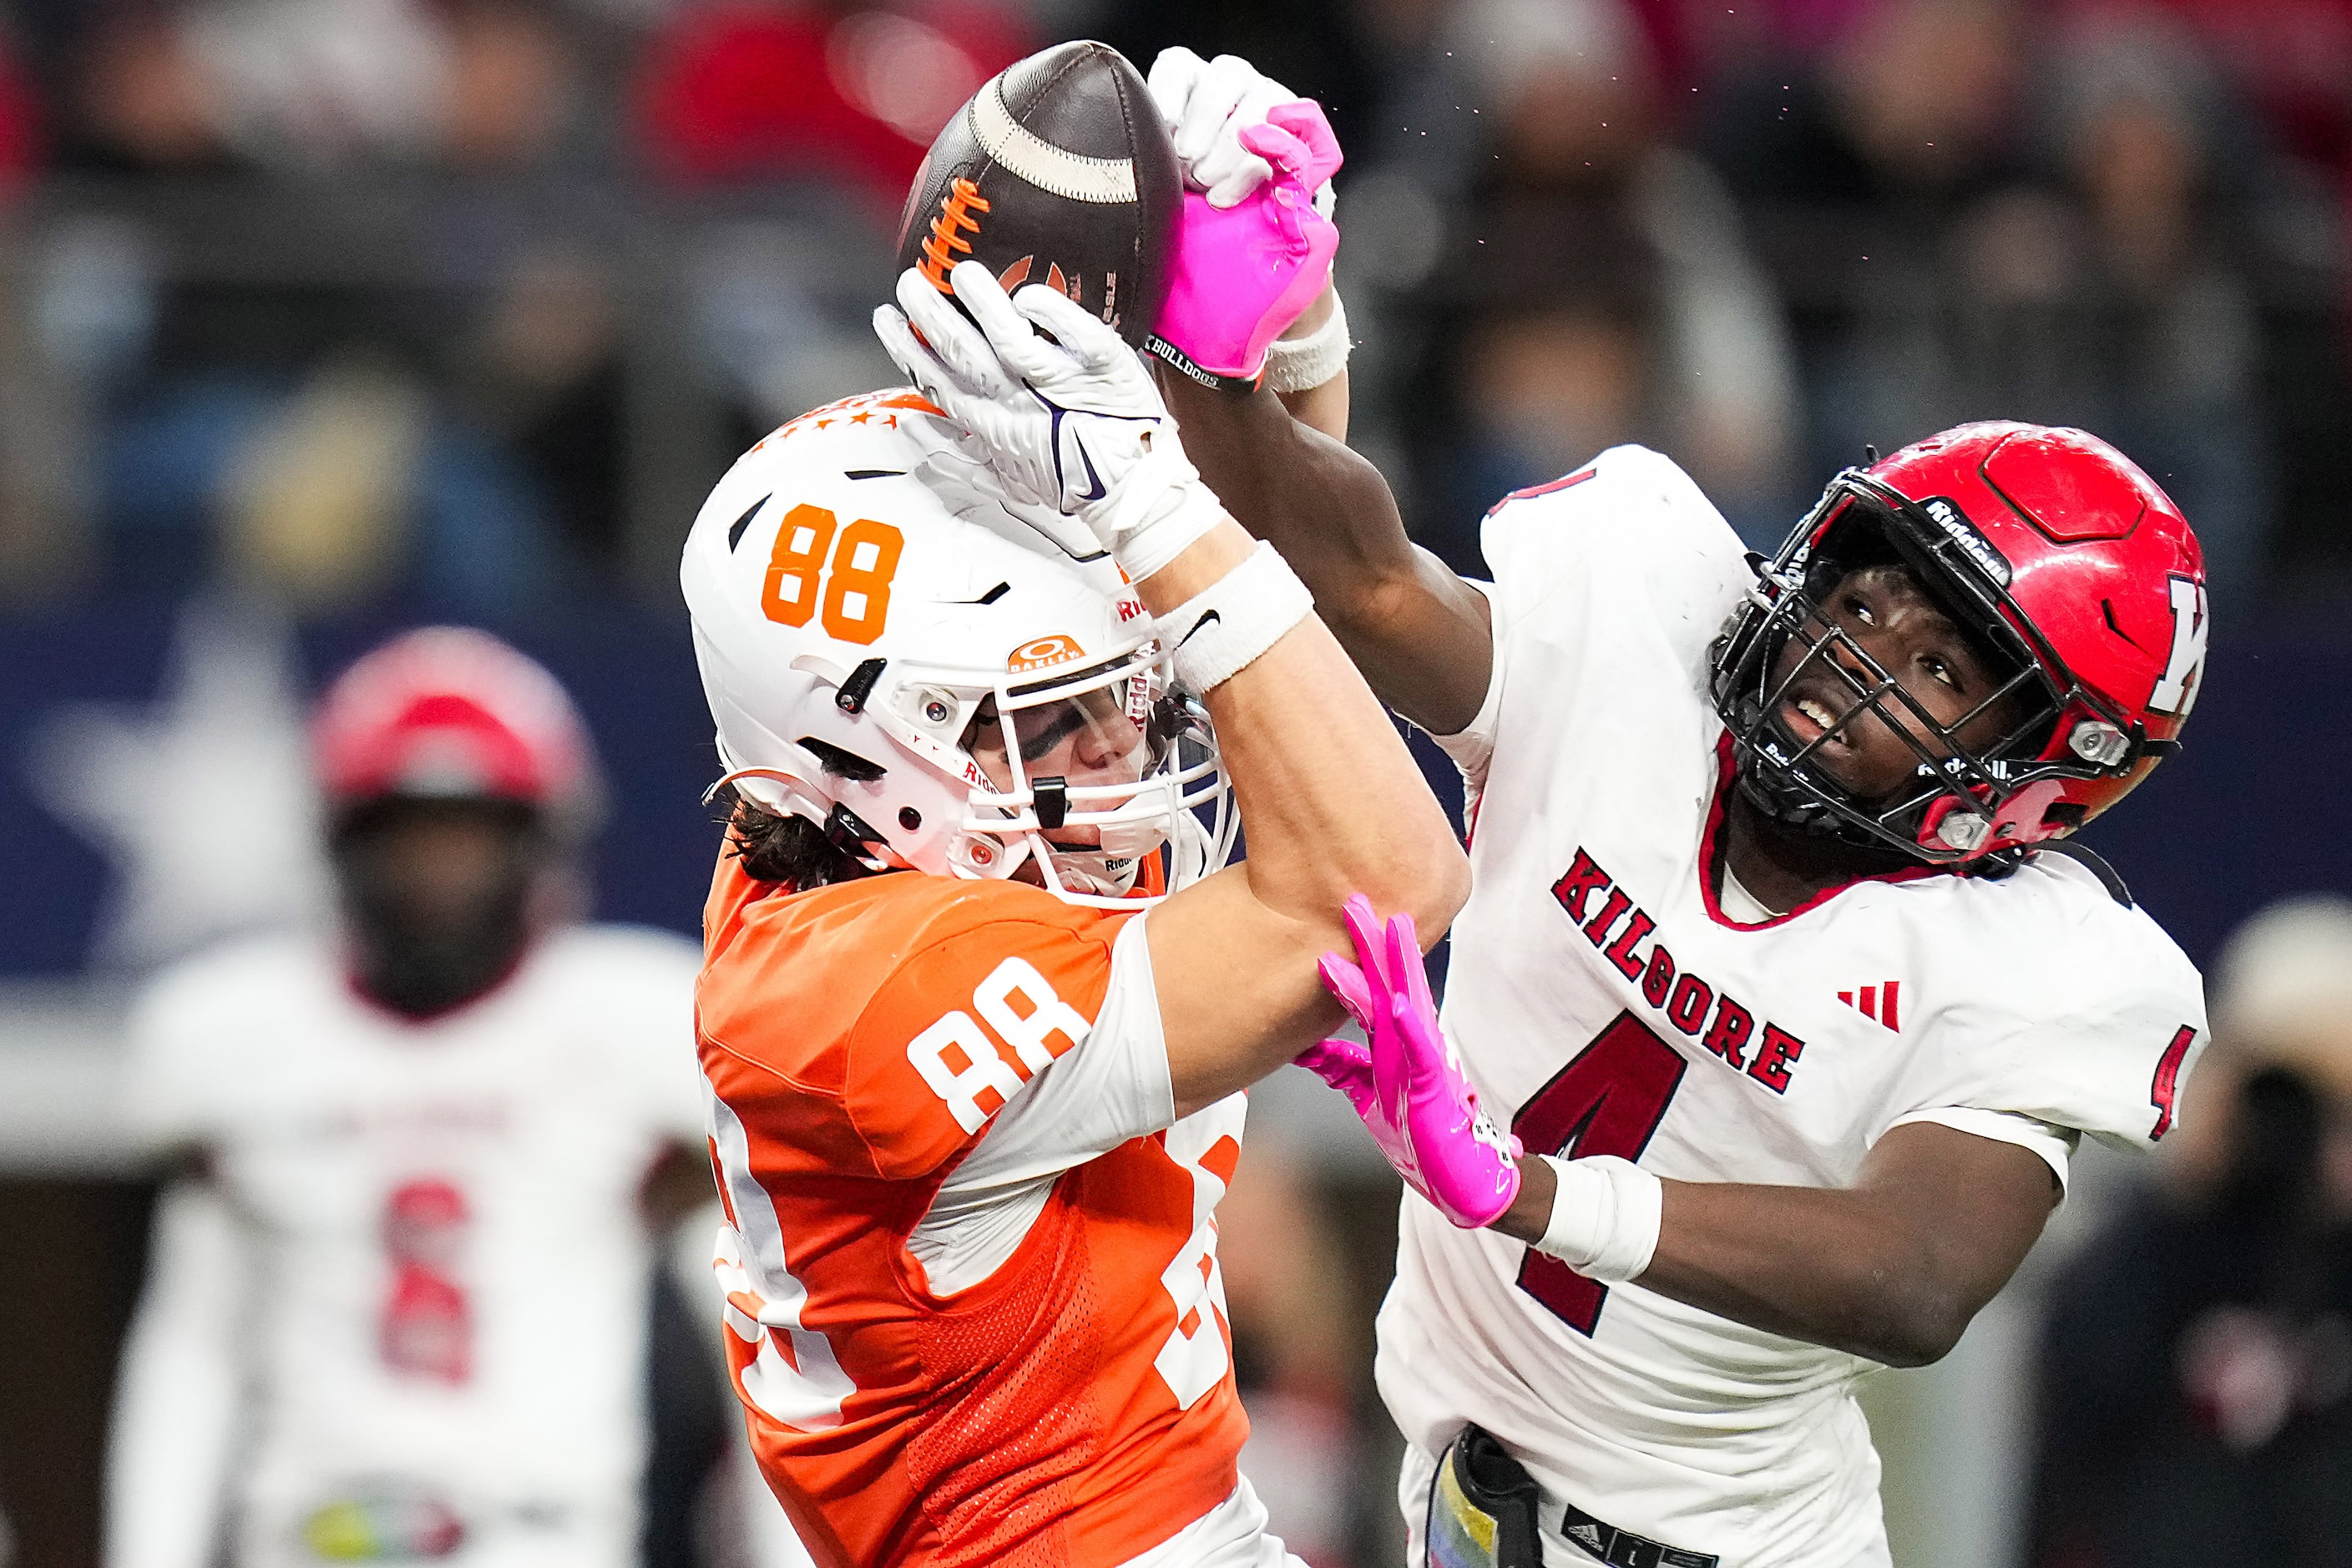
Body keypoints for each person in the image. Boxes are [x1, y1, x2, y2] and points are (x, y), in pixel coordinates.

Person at [1141, 59, 2213, 1562]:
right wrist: (1226, 335)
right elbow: (1364, 573)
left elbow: (1912, 1279)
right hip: (1464, 1498)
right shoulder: (1640, 622)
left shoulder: (2041, 965)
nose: (1855, 655)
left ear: (2038, 777)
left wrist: (1521, 1188)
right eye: (1868, 589)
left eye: (1934, 663)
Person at [679, 38, 1466, 1568]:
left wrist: (1269, 330)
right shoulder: (862, 1002)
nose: (1130, 740)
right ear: (855, 752)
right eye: (1056, 718)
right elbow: (1385, 875)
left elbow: (1258, 625)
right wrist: (1160, 501)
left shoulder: (873, 820)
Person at [106, 626, 781, 1568]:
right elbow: (194, 1347)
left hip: (545, 1540)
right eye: (407, 836)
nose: (437, 874)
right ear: (341, 840)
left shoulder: (634, 1026)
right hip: (312, 1539)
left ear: (539, 842)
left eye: (466, 836)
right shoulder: (235, 1040)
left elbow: (752, 1332)